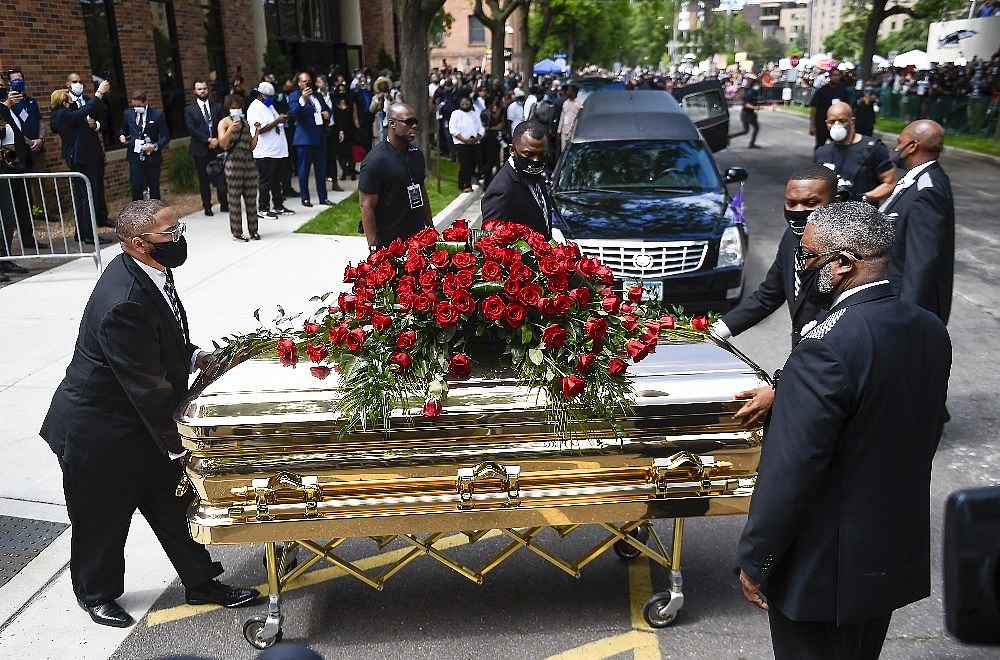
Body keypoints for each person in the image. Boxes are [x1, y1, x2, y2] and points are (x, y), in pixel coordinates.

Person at [737, 201, 951, 660]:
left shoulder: (826, 346)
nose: (802, 265)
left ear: (842, 264)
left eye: (809, 256)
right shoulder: (928, 328)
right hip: (888, 549)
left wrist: (757, 558)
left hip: (822, 567)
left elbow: (791, 470)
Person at [39, 200, 261, 628]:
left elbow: (161, 338)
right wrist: (182, 444)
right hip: (99, 432)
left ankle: (201, 582)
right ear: (139, 244)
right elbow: (147, 387)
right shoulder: (123, 301)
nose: (179, 239)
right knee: (102, 520)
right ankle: (96, 595)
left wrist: (195, 356)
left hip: (138, 423)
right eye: (171, 234)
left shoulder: (152, 270)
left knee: (172, 504)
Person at [712, 165, 838, 428]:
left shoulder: (849, 255)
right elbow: (768, 295)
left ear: (834, 203)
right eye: (791, 203)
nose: (798, 210)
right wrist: (717, 330)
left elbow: (836, 332)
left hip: (831, 372)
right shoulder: (791, 238)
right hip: (803, 365)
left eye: (811, 203)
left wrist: (779, 389)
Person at [879, 119, 954, 324]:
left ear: (912, 146)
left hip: (902, 303)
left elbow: (921, 261)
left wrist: (905, 317)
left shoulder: (927, 190)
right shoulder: (919, 179)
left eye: (899, 141)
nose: (896, 148)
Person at [358, 103, 433, 249]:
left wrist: (430, 228)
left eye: (415, 122)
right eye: (408, 122)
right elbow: (366, 206)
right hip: (390, 243)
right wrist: (374, 247)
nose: (414, 126)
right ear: (392, 123)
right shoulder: (375, 160)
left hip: (418, 238)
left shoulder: (416, 154)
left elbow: (422, 192)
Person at [51, 81, 113, 245]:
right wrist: (99, 93)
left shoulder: (58, 114)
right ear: (64, 101)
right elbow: (84, 111)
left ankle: (81, 233)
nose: (71, 100)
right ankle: (89, 235)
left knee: (82, 197)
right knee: (89, 196)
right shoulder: (63, 114)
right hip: (83, 159)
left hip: (77, 158)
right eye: (68, 99)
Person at [481, 121, 556, 239]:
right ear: (512, 149)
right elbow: (490, 242)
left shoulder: (533, 173)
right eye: (529, 154)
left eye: (541, 154)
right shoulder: (502, 190)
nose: (536, 160)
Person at [814, 102, 895, 205]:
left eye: (842, 121)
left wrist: (863, 199)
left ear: (852, 121)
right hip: (829, 213)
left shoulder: (873, 148)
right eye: (832, 122)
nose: (836, 125)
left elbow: (890, 183)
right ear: (826, 123)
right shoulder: (822, 152)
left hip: (862, 213)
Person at [217, 95, 259, 242]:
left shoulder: (245, 122)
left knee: (251, 199)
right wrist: (230, 129)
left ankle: (254, 230)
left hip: (249, 164)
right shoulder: (224, 122)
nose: (236, 109)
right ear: (228, 108)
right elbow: (222, 144)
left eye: (239, 106)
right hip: (233, 165)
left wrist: (257, 132)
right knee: (234, 200)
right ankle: (237, 233)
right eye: (233, 106)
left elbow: (251, 146)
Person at [247, 82, 292, 220]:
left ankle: (278, 206)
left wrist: (282, 119)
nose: (271, 99)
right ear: (260, 95)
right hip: (264, 151)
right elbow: (259, 130)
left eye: (272, 96)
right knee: (265, 181)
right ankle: (263, 208)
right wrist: (277, 121)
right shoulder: (254, 108)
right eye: (268, 96)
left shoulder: (269, 106)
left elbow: (274, 121)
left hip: (276, 150)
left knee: (276, 180)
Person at [287, 71, 332, 208]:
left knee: (321, 169)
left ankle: (323, 198)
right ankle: (305, 198)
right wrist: (303, 99)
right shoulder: (294, 96)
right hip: (304, 139)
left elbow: (327, 109)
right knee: (304, 170)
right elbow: (293, 113)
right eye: (304, 81)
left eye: (309, 80)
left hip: (319, 136)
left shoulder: (317, 95)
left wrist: (327, 113)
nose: (307, 83)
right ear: (299, 83)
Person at [184, 81, 227, 216]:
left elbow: (223, 124)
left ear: (208, 90)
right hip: (200, 149)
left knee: (221, 177)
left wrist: (217, 139)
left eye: (204, 88)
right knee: (203, 179)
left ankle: (224, 203)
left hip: (217, 147)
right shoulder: (189, 109)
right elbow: (191, 129)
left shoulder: (217, 107)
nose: (202, 91)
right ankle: (207, 206)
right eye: (199, 89)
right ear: (194, 91)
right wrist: (208, 140)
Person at [118, 91, 169, 201]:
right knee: (136, 186)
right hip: (135, 157)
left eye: (139, 105)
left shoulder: (157, 115)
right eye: (134, 106)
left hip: (152, 157)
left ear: (146, 102)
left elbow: (165, 136)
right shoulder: (128, 114)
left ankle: (155, 209)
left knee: (154, 187)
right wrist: (122, 135)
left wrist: (154, 146)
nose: (136, 108)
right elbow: (123, 129)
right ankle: (138, 210)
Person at [449, 95, 484, 193]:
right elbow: (453, 129)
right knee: (465, 164)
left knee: (474, 163)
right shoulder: (456, 113)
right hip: (461, 143)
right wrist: (464, 140)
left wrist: (477, 137)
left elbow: (481, 128)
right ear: (460, 104)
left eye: (467, 102)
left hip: (474, 142)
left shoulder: (474, 113)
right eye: (463, 103)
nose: (465, 104)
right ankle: (465, 185)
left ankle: (473, 180)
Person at [809, 69, 849, 148]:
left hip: (837, 124)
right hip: (822, 123)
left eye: (838, 75)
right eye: (834, 75)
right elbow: (813, 108)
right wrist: (812, 125)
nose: (836, 77)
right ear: (830, 77)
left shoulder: (843, 91)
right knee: (820, 146)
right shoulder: (822, 91)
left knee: (838, 147)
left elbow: (847, 108)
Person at [333, 83, 358, 182]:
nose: (341, 92)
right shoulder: (334, 104)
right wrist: (339, 131)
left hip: (350, 130)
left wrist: (358, 128)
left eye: (343, 90)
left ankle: (352, 172)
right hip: (338, 130)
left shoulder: (351, 103)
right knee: (341, 153)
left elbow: (355, 117)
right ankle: (344, 171)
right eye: (340, 90)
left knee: (351, 152)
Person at [732, 78, 762, 148]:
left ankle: (729, 137)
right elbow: (745, 104)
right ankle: (751, 144)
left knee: (746, 130)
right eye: (759, 84)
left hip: (747, 113)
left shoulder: (753, 92)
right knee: (755, 128)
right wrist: (755, 107)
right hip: (747, 114)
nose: (760, 86)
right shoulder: (750, 92)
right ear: (755, 84)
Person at [557, 84, 582, 151]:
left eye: (569, 91)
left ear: (574, 92)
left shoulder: (579, 104)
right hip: (564, 132)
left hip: (574, 133)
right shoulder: (565, 103)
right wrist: (559, 130)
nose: (567, 92)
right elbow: (562, 117)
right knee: (563, 150)